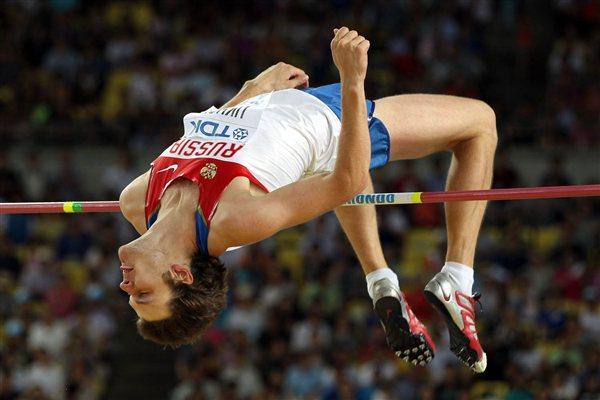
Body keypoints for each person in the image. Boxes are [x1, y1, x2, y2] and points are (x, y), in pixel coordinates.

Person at [118, 27, 496, 373]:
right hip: (330, 119)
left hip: (280, 109)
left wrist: (253, 89)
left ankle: (380, 278)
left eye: (132, 296)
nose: (126, 287)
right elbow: (347, 181)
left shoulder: (137, 200)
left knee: (322, 174)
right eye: (143, 294)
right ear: (181, 274)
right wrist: (353, 81)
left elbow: (205, 141)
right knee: (480, 123)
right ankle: (457, 277)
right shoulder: (234, 220)